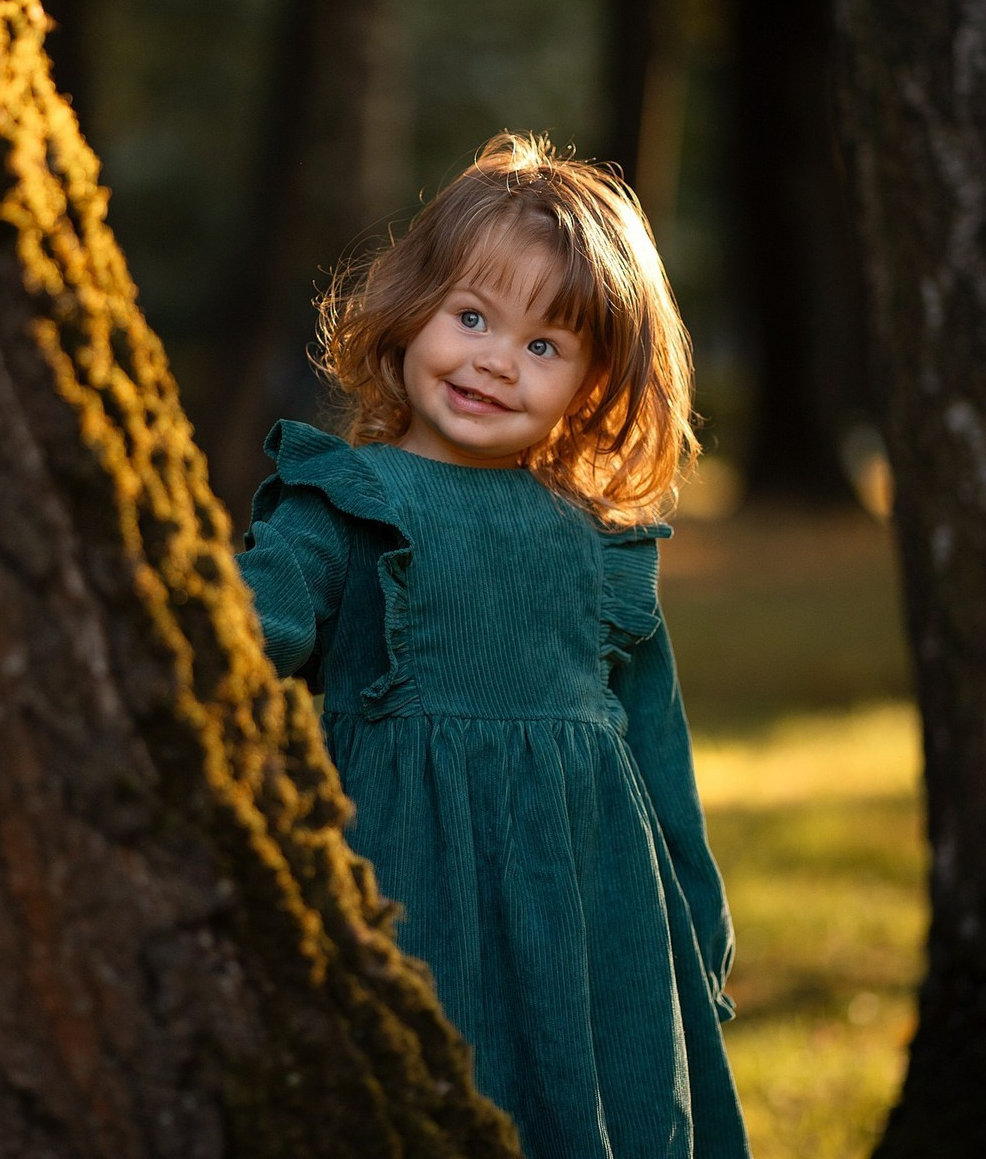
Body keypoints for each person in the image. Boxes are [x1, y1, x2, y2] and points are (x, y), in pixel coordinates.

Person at [235, 132, 749, 1158]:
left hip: (590, 914)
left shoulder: (597, 542)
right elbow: (253, 624)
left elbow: (655, 748)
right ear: (414, 306)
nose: (492, 361)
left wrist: (696, 926)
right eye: (471, 316)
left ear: (593, 383)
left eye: (542, 346)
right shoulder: (345, 500)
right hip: (401, 881)